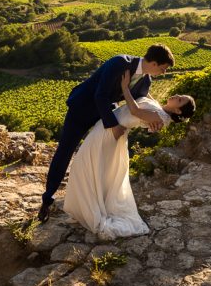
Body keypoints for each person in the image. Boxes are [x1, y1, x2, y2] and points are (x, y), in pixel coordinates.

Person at [37, 44, 174, 222]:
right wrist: (113, 125)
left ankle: (94, 201)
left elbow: (138, 105)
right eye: (163, 69)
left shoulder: (146, 81)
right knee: (65, 152)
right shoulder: (119, 63)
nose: (163, 73)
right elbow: (100, 95)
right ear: (154, 63)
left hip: (106, 115)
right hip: (82, 110)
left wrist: (155, 121)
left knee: (102, 157)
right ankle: (47, 201)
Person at [62, 70, 195, 239]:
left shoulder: (160, 118)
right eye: (180, 95)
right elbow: (146, 96)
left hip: (109, 133)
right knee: (95, 171)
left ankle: (91, 210)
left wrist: (125, 87)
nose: (177, 95)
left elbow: (135, 110)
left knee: (86, 167)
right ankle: (87, 207)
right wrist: (144, 74)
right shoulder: (160, 110)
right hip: (109, 128)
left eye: (180, 99)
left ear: (178, 111)